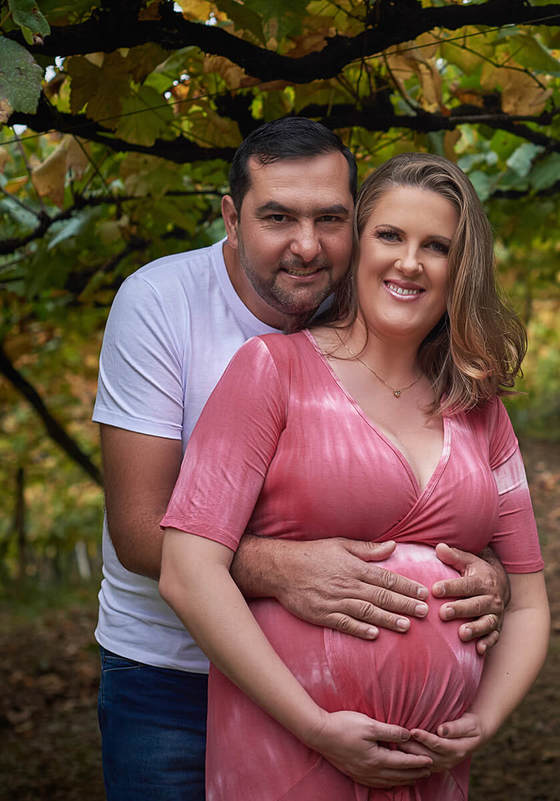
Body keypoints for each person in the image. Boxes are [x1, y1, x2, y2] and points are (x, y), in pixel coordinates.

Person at [92, 119, 509, 800]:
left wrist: (488, 574)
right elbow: (140, 529)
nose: (307, 246)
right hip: (172, 677)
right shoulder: (162, 303)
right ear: (231, 217)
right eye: (278, 217)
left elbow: (434, 473)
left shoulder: (377, 298)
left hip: (343, 697)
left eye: (331, 219)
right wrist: (285, 569)